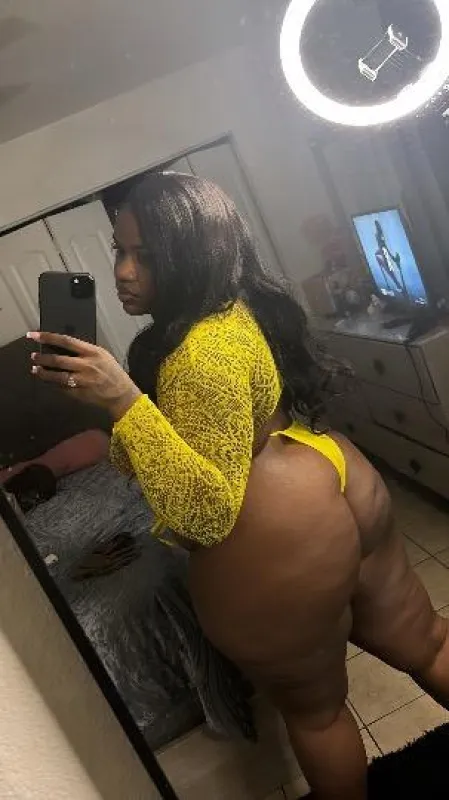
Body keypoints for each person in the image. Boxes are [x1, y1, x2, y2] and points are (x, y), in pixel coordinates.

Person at [29, 173, 449, 800]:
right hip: (327, 467)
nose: (123, 271)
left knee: (318, 714)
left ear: (193, 255)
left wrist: (124, 402)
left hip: (274, 524)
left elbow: (205, 514)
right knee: (427, 640)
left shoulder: (197, 355)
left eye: (146, 255)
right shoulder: (230, 309)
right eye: (121, 250)